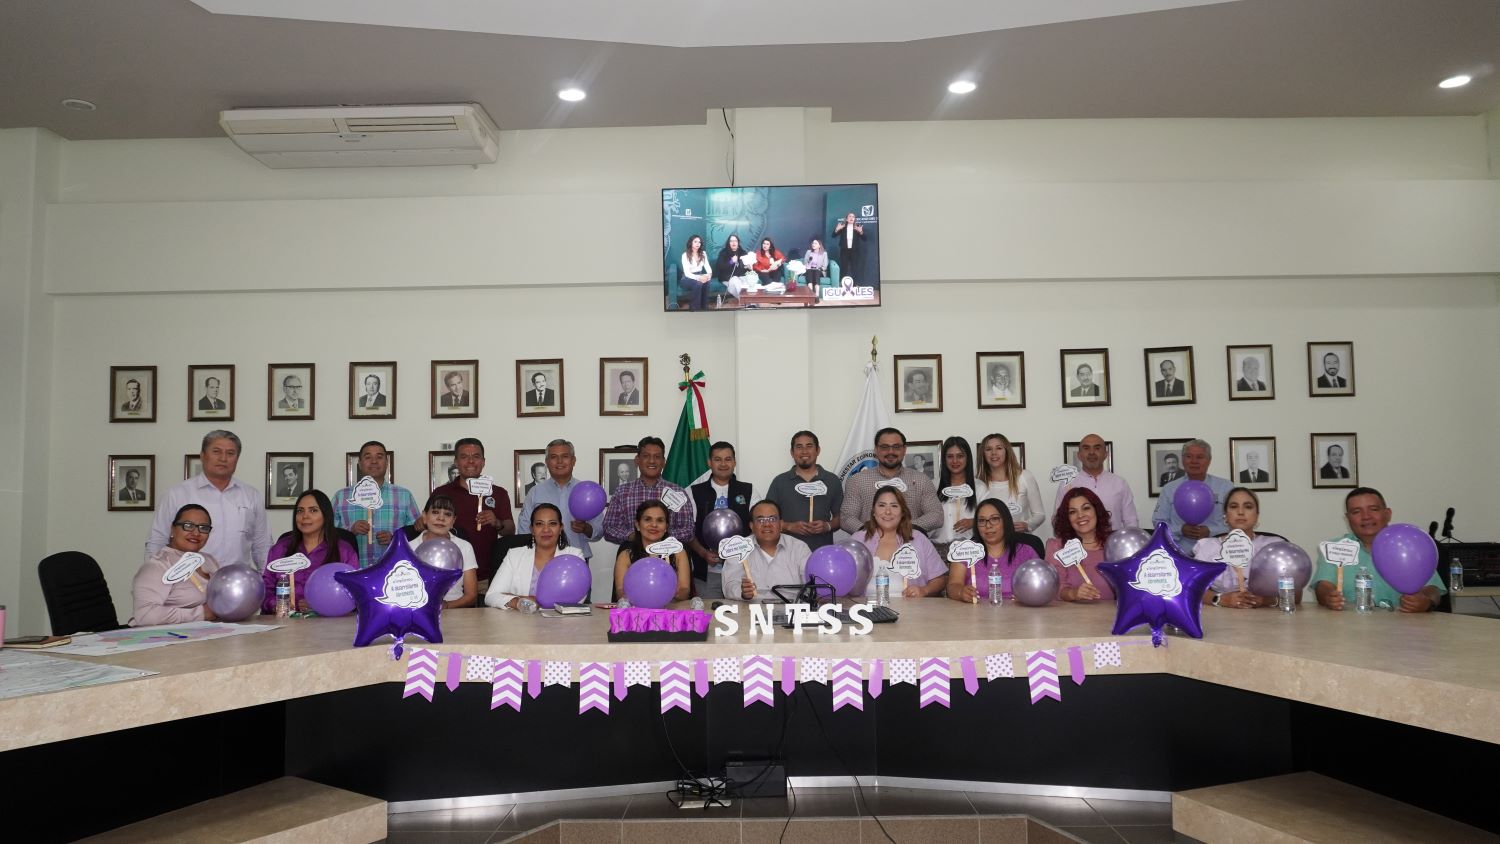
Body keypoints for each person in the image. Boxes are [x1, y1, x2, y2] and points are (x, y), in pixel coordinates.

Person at [148, 430, 270, 569]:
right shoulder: (177, 494)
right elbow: (157, 540)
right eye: (216, 452)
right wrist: (152, 576)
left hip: (237, 579)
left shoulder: (251, 495)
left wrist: (267, 579)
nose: (223, 458)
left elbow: (262, 545)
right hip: (188, 578)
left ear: (237, 458)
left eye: (230, 453)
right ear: (202, 455)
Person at [1314, 487, 1444, 612]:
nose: (1366, 516)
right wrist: (1328, 597)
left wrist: (1426, 602)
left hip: (1402, 624)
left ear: (1388, 514)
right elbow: (1323, 586)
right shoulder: (1336, 548)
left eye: (1374, 509)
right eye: (1356, 512)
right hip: (1351, 623)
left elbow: (1433, 589)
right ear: (1348, 518)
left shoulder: (1410, 544)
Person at [518, 439, 605, 583]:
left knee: (578, 598)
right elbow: (523, 530)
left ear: (573, 460)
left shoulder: (587, 492)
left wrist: (586, 528)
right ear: (547, 462)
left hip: (577, 559)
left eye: (565, 456)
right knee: (538, 597)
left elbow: (600, 530)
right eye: (553, 457)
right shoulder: (535, 492)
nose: (559, 461)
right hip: (541, 561)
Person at [431, 438, 514, 582]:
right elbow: (428, 527)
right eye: (464, 457)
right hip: (449, 575)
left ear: (483, 461)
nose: (470, 461)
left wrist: (497, 523)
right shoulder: (441, 492)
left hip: (486, 577)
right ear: (456, 462)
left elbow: (510, 530)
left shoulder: (498, 493)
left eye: (476, 456)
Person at [261, 490, 358, 614]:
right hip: (285, 622)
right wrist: (277, 604)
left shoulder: (344, 551)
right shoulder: (280, 548)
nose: (305, 516)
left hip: (329, 623)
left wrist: (320, 605)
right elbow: (265, 589)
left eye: (313, 510)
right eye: (300, 511)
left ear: (326, 515)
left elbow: (355, 593)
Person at [334, 441, 421, 569]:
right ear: (360, 463)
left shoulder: (404, 495)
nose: (374, 461)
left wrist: (395, 539)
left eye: (379, 457)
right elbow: (327, 535)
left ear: (387, 463)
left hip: (394, 571)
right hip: (353, 570)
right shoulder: (341, 496)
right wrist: (350, 531)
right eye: (368, 457)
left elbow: (417, 533)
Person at [1191, 488, 1282, 609]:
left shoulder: (1273, 546)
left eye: (1248, 507)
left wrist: (1266, 600)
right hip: (1220, 615)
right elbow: (1192, 589)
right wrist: (1221, 599)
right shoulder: (1207, 547)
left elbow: (1295, 594)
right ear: (1225, 515)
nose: (1240, 512)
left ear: (1257, 515)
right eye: (1234, 507)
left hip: (1266, 617)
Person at [849, 488, 947, 598]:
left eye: (894, 506)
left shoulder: (919, 539)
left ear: (903, 512)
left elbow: (940, 579)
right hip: (865, 606)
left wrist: (924, 590)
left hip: (911, 608)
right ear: (873, 511)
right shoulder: (857, 541)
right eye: (882, 505)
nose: (887, 512)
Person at [132, 504, 221, 625]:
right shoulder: (158, 566)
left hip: (214, 632)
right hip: (166, 635)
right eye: (188, 526)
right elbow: (145, 615)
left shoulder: (210, 561)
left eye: (203, 528)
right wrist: (201, 614)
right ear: (172, 529)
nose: (196, 533)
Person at [841, 427, 943, 533]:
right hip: (869, 541)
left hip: (911, 541)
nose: (891, 452)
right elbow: (846, 518)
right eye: (884, 447)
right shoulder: (857, 481)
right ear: (876, 450)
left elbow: (936, 515)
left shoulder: (921, 480)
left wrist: (905, 529)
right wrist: (871, 534)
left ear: (904, 450)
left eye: (896, 447)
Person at [687, 441, 753, 599]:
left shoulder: (748, 490)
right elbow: (687, 531)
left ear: (734, 462)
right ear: (709, 463)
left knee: (741, 611)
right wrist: (703, 553)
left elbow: (757, 527)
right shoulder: (693, 492)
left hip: (741, 571)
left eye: (728, 459)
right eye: (718, 459)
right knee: (709, 612)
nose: (723, 464)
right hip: (708, 573)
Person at [602, 436, 695, 546]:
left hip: (668, 553)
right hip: (631, 552)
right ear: (637, 460)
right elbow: (609, 528)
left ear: (663, 462)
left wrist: (662, 535)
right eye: (646, 456)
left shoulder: (677, 492)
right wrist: (632, 536)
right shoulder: (622, 492)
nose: (652, 461)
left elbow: (689, 530)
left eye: (657, 457)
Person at [947, 499, 1040, 603]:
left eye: (994, 519)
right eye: (982, 521)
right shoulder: (964, 551)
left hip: (1019, 612)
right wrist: (960, 592)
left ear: (1006, 521)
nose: (988, 525)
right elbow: (953, 586)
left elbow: (1041, 586)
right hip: (975, 612)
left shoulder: (1027, 552)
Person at [1150, 439, 1231, 554]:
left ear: (1209, 460)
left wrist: (1211, 531)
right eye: (1188, 456)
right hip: (1180, 554)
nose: (1194, 461)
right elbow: (1158, 522)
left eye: (1200, 457)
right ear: (1182, 460)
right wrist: (1180, 529)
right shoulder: (1169, 489)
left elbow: (1236, 523)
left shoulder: (1225, 487)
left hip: (1217, 554)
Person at [765, 430, 843, 550]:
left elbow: (841, 517)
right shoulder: (779, 482)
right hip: (787, 552)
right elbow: (767, 518)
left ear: (818, 450)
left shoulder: (832, 480)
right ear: (792, 452)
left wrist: (827, 526)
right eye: (799, 447)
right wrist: (789, 526)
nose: (804, 451)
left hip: (822, 552)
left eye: (809, 446)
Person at [486, 504, 571, 610]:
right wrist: (519, 602)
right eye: (539, 524)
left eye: (552, 523)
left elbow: (576, 598)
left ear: (561, 528)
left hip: (561, 620)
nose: (546, 529)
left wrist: (532, 600)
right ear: (532, 529)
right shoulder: (514, 555)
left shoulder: (574, 556)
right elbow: (491, 596)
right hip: (521, 619)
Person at [724, 500, 811, 600]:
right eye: (760, 520)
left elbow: (811, 584)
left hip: (791, 606)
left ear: (781, 524)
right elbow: (729, 585)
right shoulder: (739, 547)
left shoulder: (799, 548)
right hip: (752, 607)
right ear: (751, 526)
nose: (767, 524)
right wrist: (742, 592)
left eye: (772, 519)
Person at [1053, 434, 1139, 530]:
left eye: (1097, 448)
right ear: (1079, 455)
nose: (1091, 452)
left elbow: (1131, 521)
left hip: (1113, 538)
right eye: (1086, 448)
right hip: (1079, 539)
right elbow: (1058, 520)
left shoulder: (1120, 483)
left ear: (1105, 454)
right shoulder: (1067, 484)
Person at [613, 500, 692, 603]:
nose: (654, 525)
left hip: (671, 609)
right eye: (647, 519)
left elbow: (684, 590)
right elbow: (620, 592)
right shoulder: (626, 555)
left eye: (660, 520)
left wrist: (671, 593)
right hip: (637, 610)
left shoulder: (678, 553)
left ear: (666, 527)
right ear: (637, 525)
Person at [1047, 488, 1116, 602]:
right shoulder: (1057, 547)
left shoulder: (1114, 544)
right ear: (1067, 518)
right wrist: (1072, 594)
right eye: (1072, 512)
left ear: (1096, 511)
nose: (1080, 515)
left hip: (1114, 612)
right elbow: (1054, 588)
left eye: (1086, 508)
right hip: (1071, 612)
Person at [410, 494, 479, 608]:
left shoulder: (464, 547)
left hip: (455, 610)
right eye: (435, 512)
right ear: (424, 516)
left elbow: (471, 595)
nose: (441, 518)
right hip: (417, 610)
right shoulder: (409, 547)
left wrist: (447, 606)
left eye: (448, 514)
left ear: (453, 521)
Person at [975, 433, 1045, 534]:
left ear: (1007, 451)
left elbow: (1040, 514)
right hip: (990, 541)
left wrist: (1027, 525)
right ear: (983, 454)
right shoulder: (978, 484)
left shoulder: (1024, 476)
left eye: (999, 448)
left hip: (1020, 540)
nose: (994, 453)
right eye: (988, 449)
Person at [930, 436, 978, 551]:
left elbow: (990, 517)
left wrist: (975, 522)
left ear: (967, 458)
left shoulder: (980, 487)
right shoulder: (933, 485)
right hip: (938, 550)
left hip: (969, 550)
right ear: (944, 459)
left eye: (960, 456)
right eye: (950, 456)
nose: (955, 461)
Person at [679, 234, 714, 310]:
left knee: (707, 282)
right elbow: (687, 273)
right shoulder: (685, 255)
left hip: (699, 275)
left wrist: (708, 276)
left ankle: (704, 307)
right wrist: (699, 278)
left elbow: (708, 267)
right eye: (695, 242)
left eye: (699, 242)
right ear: (691, 243)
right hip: (687, 278)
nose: (698, 244)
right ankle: (695, 308)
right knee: (698, 283)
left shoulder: (703, 253)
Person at [714, 234, 752, 301]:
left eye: (735, 241)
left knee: (749, 280)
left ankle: (751, 301)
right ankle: (746, 301)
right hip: (727, 277)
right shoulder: (723, 253)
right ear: (728, 243)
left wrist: (749, 267)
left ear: (738, 242)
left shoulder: (742, 252)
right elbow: (720, 266)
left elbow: (746, 268)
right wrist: (731, 262)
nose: (733, 243)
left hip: (741, 276)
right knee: (735, 281)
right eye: (731, 241)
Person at [831, 211, 866, 282]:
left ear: (854, 219)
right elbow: (833, 236)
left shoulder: (857, 227)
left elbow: (864, 239)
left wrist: (861, 232)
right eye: (850, 216)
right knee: (843, 268)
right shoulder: (842, 227)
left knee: (854, 268)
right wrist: (837, 229)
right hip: (844, 251)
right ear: (846, 219)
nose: (851, 218)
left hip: (855, 251)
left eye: (853, 217)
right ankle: (842, 283)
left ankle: (855, 284)